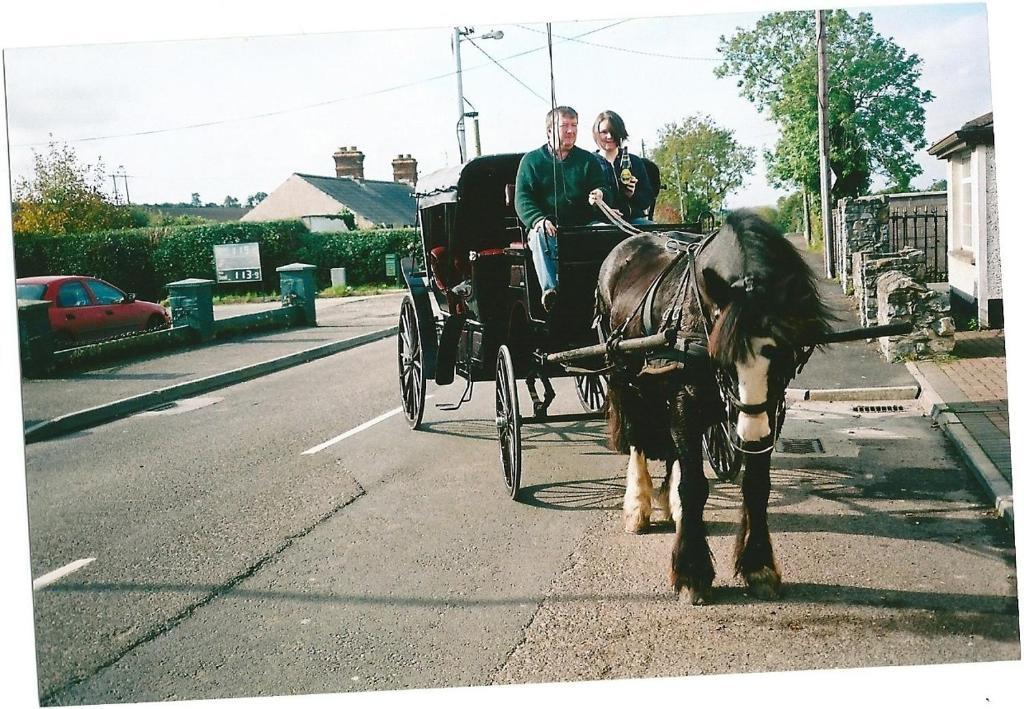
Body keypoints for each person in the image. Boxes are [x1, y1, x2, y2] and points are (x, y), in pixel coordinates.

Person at [515, 105, 609, 311]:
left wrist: (600, 194)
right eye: (564, 125)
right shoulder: (531, 161)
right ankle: (551, 292)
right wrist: (539, 219)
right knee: (538, 235)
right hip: (550, 229)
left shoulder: (588, 160)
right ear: (549, 131)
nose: (570, 131)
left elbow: (602, 187)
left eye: (574, 125)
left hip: (584, 225)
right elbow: (522, 199)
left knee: (606, 230)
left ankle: (608, 290)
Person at [592, 110, 654, 224]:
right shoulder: (589, 163)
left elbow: (647, 200)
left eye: (613, 132)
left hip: (633, 220)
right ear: (597, 133)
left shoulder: (635, 162)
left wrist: (632, 194)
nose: (609, 136)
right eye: (604, 132)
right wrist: (604, 211)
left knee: (656, 234)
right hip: (602, 223)